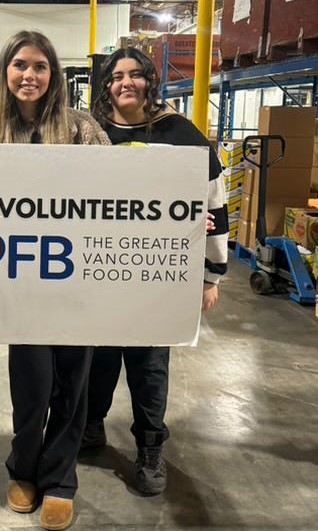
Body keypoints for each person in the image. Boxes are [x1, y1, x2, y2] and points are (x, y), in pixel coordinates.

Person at [0, 30, 110, 531]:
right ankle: (23, 469)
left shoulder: (81, 127)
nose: (29, 75)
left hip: (76, 279)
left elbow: (119, 191)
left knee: (72, 383)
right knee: (31, 384)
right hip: (20, 279)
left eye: (40, 66)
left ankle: (60, 479)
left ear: (54, 74)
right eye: (20, 65)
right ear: (5, 71)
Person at [82, 46, 228, 496]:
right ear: (105, 85)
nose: (125, 82)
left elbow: (215, 202)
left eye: (135, 74)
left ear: (150, 80)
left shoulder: (181, 134)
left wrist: (212, 274)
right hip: (97, 271)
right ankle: (90, 425)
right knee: (98, 360)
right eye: (116, 76)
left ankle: (149, 448)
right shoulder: (89, 133)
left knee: (148, 368)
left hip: (158, 277)